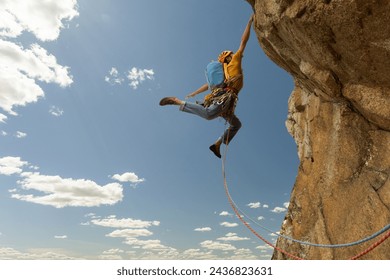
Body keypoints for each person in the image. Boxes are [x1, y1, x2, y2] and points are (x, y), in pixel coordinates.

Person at [160, 15, 254, 158]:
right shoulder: (234, 62)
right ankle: (177, 101)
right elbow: (243, 41)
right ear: (228, 57)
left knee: (236, 124)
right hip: (224, 97)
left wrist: (194, 93)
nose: (234, 54)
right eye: (231, 54)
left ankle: (217, 144)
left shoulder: (224, 73)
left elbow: (208, 85)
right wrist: (249, 22)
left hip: (225, 100)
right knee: (209, 114)